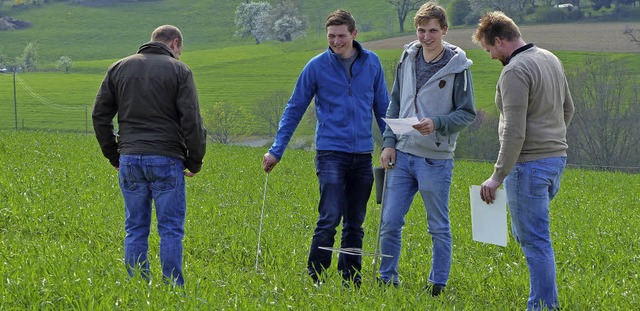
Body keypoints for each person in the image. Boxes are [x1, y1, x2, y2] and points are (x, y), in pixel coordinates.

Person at [261, 9, 389, 287]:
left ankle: (350, 279)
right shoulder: (316, 66)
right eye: (331, 36)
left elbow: (383, 109)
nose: (336, 41)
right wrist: (276, 150)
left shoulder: (373, 64)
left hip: (362, 155)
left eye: (341, 36)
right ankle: (316, 277)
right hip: (330, 152)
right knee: (329, 217)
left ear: (354, 34)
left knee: (355, 222)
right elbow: (294, 109)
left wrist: (390, 144)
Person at [473, 11, 574, 311]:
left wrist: (497, 176)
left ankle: (542, 306)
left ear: (501, 41)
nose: (491, 56)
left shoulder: (515, 70)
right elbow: (568, 109)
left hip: (528, 165)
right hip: (555, 160)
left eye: (489, 49)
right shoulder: (549, 58)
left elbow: (514, 132)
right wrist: (552, 140)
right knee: (528, 233)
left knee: (535, 241)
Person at [92, 25, 207, 287]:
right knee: (170, 230)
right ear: (175, 43)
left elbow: (100, 116)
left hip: (130, 158)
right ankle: (172, 289)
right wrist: (195, 160)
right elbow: (192, 120)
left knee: (135, 228)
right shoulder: (180, 71)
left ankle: (137, 288)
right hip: (167, 158)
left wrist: (114, 155)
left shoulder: (118, 68)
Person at [377, 2, 476, 296]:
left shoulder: (458, 68)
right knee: (390, 221)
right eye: (421, 30)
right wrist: (388, 143)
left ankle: (437, 284)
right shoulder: (406, 58)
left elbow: (467, 113)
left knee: (438, 227)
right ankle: (386, 280)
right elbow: (394, 104)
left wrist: (437, 123)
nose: (426, 36)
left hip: (436, 159)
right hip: (402, 154)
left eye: (433, 30)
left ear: (444, 30)